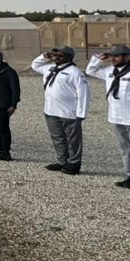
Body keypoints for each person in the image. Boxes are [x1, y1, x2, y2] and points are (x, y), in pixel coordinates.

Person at [87, 45, 130, 190]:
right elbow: (90, 70)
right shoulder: (109, 71)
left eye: (117, 56)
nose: (113, 59)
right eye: (112, 56)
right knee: (125, 148)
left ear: (128, 57)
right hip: (116, 116)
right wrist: (99, 58)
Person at [32, 46, 89, 174]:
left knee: (73, 140)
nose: (57, 57)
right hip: (51, 110)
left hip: (69, 112)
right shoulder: (49, 68)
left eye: (60, 55)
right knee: (57, 138)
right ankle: (62, 161)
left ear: (69, 57)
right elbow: (35, 65)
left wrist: (81, 114)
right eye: (55, 55)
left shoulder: (75, 72)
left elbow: (83, 93)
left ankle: (74, 163)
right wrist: (44, 56)